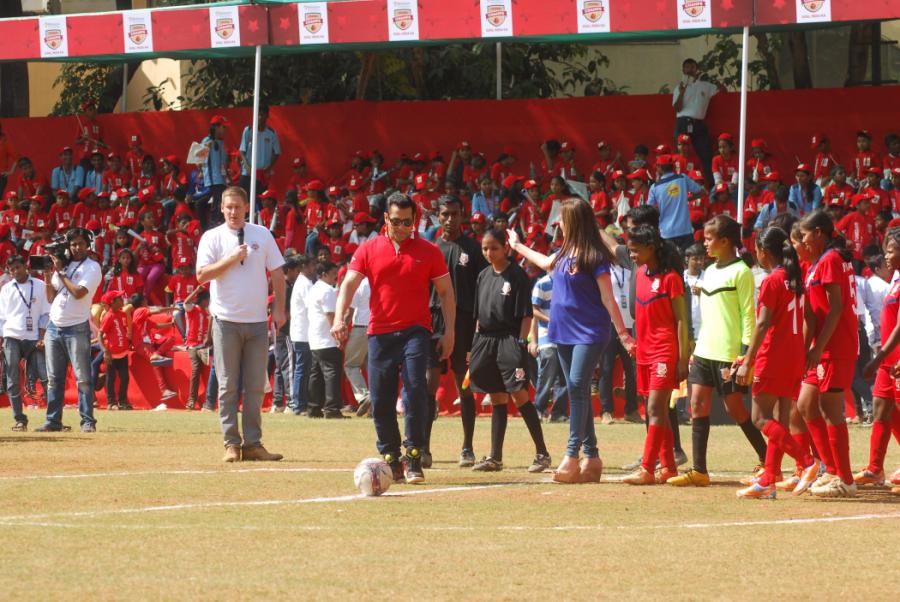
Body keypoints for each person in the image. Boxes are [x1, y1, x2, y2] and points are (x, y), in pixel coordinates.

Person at [332, 192, 456, 485]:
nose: (402, 228)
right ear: (386, 219)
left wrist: (449, 330)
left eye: (408, 222)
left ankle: (413, 457)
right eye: (397, 221)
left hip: (416, 331)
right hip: (380, 334)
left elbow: (446, 292)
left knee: (415, 390)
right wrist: (340, 318)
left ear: (415, 220)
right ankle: (390, 458)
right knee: (382, 399)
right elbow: (349, 283)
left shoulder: (429, 251)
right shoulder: (368, 249)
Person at [508, 199, 635, 484]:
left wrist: (624, 334)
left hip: (590, 332)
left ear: (573, 222)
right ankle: (592, 458)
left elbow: (607, 298)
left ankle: (571, 455)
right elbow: (542, 261)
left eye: (562, 220)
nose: (559, 225)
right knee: (577, 392)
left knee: (577, 385)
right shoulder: (563, 252)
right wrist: (516, 245)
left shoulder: (595, 256)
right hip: (561, 330)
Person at [668, 215, 768, 487]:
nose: (705, 245)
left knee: (734, 408)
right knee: (697, 405)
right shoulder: (709, 272)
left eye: (710, 239)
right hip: (704, 350)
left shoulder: (742, 272)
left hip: (728, 354)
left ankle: (767, 458)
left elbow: (749, 315)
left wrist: (746, 354)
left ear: (725, 241)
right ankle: (699, 471)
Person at [196, 185, 286, 463]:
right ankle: (231, 443)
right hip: (225, 321)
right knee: (227, 386)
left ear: (247, 207)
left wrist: (280, 308)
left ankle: (253, 443)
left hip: (258, 321)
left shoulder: (262, 234)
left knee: (256, 386)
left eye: (238, 206)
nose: (233, 212)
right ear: (221, 208)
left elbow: (278, 274)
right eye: (228, 207)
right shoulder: (212, 237)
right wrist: (232, 258)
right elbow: (202, 275)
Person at [733, 227, 823, 499]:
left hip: (772, 355)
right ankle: (769, 479)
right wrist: (804, 347)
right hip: (793, 355)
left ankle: (808, 462)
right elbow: (810, 317)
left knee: (760, 418)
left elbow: (762, 323)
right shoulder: (796, 279)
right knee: (779, 420)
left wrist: (747, 360)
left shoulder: (773, 281)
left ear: (763, 252)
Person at [468, 228, 550, 473]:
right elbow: (478, 316)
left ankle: (542, 453)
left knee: (520, 395)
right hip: (485, 340)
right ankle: (495, 457)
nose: (489, 252)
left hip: (509, 340)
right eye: (485, 248)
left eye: (494, 247)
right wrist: (474, 344)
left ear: (505, 247)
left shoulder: (517, 276)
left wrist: (521, 342)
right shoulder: (483, 275)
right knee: (496, 397)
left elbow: (526, 314)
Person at [796, 210, 859, 498]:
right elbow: (812, 312)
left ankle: (845, 478)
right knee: (806, 405)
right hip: (822, 345)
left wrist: (818, 346)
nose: (803, 240)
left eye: (805, 235)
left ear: (819, 232)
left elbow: (835, 308)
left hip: (835, 345)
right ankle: (831, 469)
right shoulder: (819, 262)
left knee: (831, 409)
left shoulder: (831, 260)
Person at [622, 225, 689, 485]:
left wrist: (682, 359)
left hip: (664, 349)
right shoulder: (638, 275)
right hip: (645, 350)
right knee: (654, 409)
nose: (633, 255)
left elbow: (682, 320)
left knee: (655, 409)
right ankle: (669, 467)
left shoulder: (671, 278)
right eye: (631, 251)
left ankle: (647, 469)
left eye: (636, 250)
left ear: (651, 248)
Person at [426, 196, 487, 467]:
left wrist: (480, 325)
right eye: (444, 214)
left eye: (454, 213)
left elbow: (485, 289)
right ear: (437, 217)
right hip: (433, 323)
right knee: (428, 386)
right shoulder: (430, 249)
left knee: (464, 385)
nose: (449, 219)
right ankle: (423, 448)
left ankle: (467, 448)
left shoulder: (473, 249)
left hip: (464, 324)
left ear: (462, 215)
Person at [39, 227, 103, 432]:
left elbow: (78, 292)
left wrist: (60, 271)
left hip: (76, 327)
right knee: (54, 379)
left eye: (81, 243)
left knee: (83, 377)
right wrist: (48, 276)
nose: (76, 247)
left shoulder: (92, 267)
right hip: (54, 326)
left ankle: (87, 422)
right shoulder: (63, 265)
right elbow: (50, 298)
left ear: (88, 245)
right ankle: (53, 421)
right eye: (73, 244)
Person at [860, 228, 900, 487]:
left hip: (894, 359)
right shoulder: (895, 279)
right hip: (888, 359)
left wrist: (879, 357)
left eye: (891, 249)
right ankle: (875, 469)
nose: (886, 255)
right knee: (881, 407)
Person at [0, 255, 51, 431]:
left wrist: (42, 336)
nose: (15, 271)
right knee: (12, 379)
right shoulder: (6, 289)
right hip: (11, 337)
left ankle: (52, 419)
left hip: (34, 338)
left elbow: (46, 314)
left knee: (45, 377)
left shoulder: (39, 285)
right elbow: (1, 318)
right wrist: (2, 339)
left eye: (18, 267)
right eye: (11, 269)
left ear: (25, 266)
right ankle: (20, 419)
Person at [307, 261, 345, 419]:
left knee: (316, 375)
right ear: (324, 274)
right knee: (332, 374)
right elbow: (330, 315)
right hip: (326, 339)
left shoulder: (314, 288)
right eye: (333, 273)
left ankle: (314, 408)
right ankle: (331, 408)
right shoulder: (328, 290)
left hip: (315, 338)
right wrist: (337, 336)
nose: (335, 276)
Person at [530, 272, 569, 423]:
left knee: (564, 376)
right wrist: (551, 320)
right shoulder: (542, 283)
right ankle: (539, 408)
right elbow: (533, 310)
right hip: (547, 335)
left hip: (566, 336)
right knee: (547, 372)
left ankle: (559, 413)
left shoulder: (569, 283)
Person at [672, 58, 718, 185]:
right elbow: (677, 108)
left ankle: (710, 188)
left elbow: (722, 90)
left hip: (698, 123)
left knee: (705, 155)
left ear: (697, 70)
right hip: (682, 122)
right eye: (687, 67)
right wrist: (682, 93)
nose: (689, 70)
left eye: (692, 67)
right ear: (683, 69)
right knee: (679, 155)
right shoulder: (678, 87)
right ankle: (676, 186)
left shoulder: (706, 86)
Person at [647, 155, 702, 251]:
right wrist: (686, 199)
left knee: (671, 262)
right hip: (685, 229)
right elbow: (700, 191)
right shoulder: (682, 178)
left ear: (659, 168)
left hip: (666, 232)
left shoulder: (654, 187)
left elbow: (649, 209)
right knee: (687, 261)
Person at [289, 255, 315, 415]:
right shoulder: (304, 283)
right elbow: (311, 306)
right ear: (304, 266)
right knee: (302, 369)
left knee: (303, 369)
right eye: (312, 265)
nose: (314, 269)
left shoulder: (304, 282)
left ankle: (301, 403)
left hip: (302, 331)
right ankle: (299, 404)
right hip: (302, 333)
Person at [97, 290, 131, 411]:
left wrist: (128, 341)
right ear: (113, 302)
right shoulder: (109, 316)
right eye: (120, 299)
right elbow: (100, 335)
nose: (122, 300)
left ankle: (122, 401)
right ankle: (111, 402)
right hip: (112, 354)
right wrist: (105, 351)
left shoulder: (122, 314)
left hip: (123, 353)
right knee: (111, 378)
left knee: (125, 377)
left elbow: (121, 330)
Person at [345, 274, 372, 416]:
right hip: (378, 328)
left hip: (361, 327)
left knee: (351, 365)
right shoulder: (379, 280)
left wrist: (343, 325)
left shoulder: (360, 284)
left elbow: (350, 310)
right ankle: (375, 404)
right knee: (372, 366)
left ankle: (364, 396)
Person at [239, 105, 281, 193]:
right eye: (258, 115)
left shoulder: (271, 133)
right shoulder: (248, 130)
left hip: (263, 175)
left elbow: (277, 152)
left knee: (260, 201)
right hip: (247, 174)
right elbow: (242, 151)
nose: (259, 117)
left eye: (262, 115)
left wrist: (268, 168)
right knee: (245, 200)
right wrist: (247, 167)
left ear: (267, 116)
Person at [200, 115, 230, 228]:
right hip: (213, 179)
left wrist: (227, 177)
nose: (225, 130)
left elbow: (223, 162)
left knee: (219, 203)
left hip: (221, 179)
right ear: (216, 127)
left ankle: (216, 224)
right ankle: (213, 227)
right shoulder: (207, 141)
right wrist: (206, 147)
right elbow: (198, 159)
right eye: (223, 127)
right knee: (217, 204)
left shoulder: (221, 142)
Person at [184, 290, 212, 411]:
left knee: (212, 369)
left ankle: (210, 400)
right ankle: (191, 400)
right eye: (208, 300)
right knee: (196, 371)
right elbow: (186, 302)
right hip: (193, 346)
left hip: (205, 347)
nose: (209, 302)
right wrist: (196, 291)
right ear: (204, 300)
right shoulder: (193, 309)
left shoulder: (208, 312)